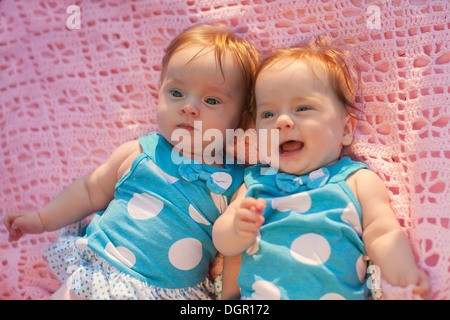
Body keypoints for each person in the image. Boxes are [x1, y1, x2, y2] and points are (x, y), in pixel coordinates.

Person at [4, 23, 260, 300]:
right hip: (103, 273)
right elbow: (90, 191)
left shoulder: (237, 183)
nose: (188, 107)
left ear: (243, 121)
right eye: (176, 93)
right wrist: (42, 219)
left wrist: (239, 231)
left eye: (211, 100)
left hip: (167, 292)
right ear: (159, 93)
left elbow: (230, 244)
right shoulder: (138, 153)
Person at [212, 35, 431, 300]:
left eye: (302, 108)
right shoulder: (256, 183)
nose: (282, 121)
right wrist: (237, 229)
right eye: (268, 114)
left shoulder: (356, 181)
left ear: (346, 130)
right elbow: (223, 241)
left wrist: (403, 272)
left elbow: (382, 233)